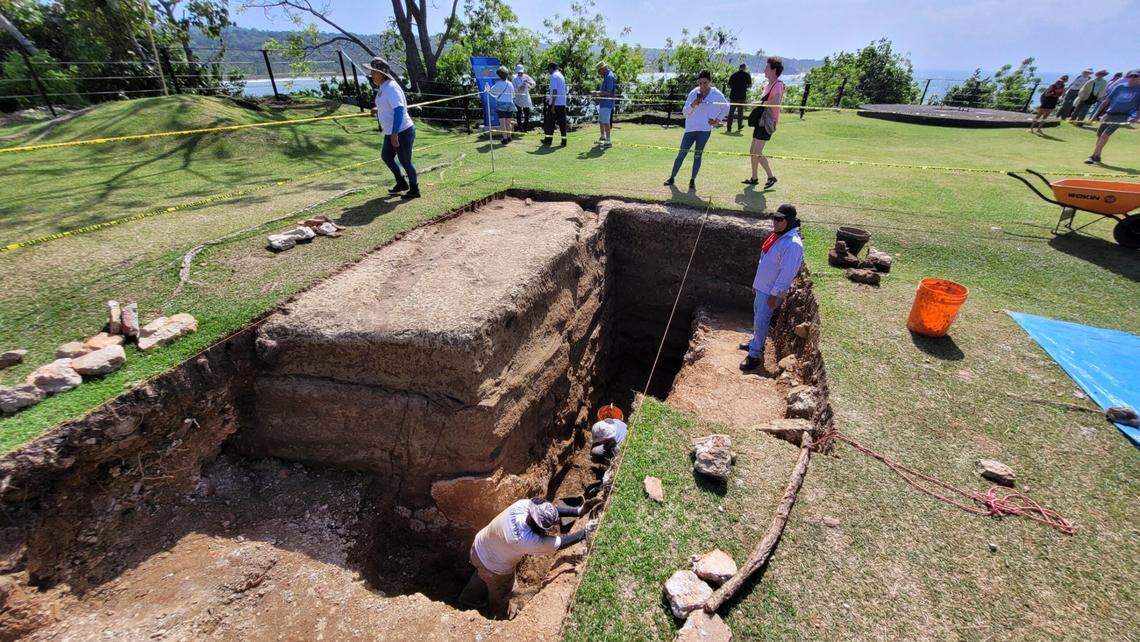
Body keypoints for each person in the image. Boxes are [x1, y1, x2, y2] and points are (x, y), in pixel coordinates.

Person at [459, 497, 596, 617]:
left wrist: (578, 511)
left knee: (481, 573)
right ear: (540, 527)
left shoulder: (522, 505)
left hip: (478, 548)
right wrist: (585, 533)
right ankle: (497, 616)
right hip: (496, 570)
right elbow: (560, 543)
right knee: (500, 595)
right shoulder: (528, 540)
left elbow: (548, 509)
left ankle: (467, 600)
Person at [740, 204, 805, 372]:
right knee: (758, 316)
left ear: (789, 221)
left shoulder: (792, 244)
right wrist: (757, 285)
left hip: (770, 291)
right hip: (763, 287)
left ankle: (754, 356)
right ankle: (756, 343)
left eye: (779, 219)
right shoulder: (778, 237)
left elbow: (787, 273)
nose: (774, 222)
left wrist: (774, 294)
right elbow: (766, 264)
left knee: (762, 320)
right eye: (774, 218)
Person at [664, 69, 729, 190]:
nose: (702, 86)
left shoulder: (716, 94)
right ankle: (672, 177)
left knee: (697, 155)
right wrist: (693, 104)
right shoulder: (694, 93)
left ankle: (692, 180)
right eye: (700, 83)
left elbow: (726, 107)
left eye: (705, 83)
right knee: (681, 153)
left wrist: (717, 120)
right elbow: (684, 112)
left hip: (704, 130)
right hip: (690, 129)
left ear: (710, 82)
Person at [366, 57, 419, 199]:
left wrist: (395, 133)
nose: (371, 74)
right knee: (386, 156)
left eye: (374, 72)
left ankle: (414, 189)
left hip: (402, 131)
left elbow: (399, 109)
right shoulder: (384, 87)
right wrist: (377, 109)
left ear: (381, 73)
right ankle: (401, 182)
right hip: (391, 131)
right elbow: (388, 105)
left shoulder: (391, 87)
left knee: (405, 161)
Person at [743, 56, 786, 189]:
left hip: (767, 122)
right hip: (760, 121)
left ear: (774, 70)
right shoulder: (767, 86)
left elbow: (777, 102)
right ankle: (754, 177)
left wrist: (761, 103)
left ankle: (771, 176)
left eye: (767, 67)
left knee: (757, 151)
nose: (764, 69)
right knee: (753, 150)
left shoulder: (778, 85)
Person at [1085, 69, 1140, 165]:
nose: (1133, 78)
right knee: (1099, 135)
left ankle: (1092, 156)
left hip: (1122, 116)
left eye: (1136, 76)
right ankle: (1098, 156)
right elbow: (1106, 101)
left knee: (1104, 135)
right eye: (1131, 76)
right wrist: (1094, 115)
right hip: (1109, 113)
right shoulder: (1119, 87)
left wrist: (1136, 118)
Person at [542, 62, 569, 147]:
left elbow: (554, 91)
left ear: (551, 68)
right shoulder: (561, 75)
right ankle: (564, 140)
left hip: (555, 103)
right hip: (562, 103)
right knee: (562, 123)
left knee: (550, 123)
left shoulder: (554, 76)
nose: (548, 72)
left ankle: (548, 140)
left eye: (548, 69)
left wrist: (552, 105)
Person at [592, 61, 618, 146]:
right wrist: (598, 97)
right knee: (601, 120)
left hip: (607, 103)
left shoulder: (609, 77)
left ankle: (608, 140)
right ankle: (603, 137)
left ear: (603, 69)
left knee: (606, 121)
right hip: (603, 103)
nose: (599, 73)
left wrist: (597, 93)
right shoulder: (606, 76)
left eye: (599, 71)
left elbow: (609, 92)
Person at [488, 66, 516, 144]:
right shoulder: (510, 84)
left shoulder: (498, 84)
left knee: (502, 123)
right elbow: (513, 95)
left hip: (501, 104)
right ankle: (509, 137)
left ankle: (505, 139)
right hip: (510, 104)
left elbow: (491, 91)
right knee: (508, 123)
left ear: (499, 75)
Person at [725, 63, 752, 133]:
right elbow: (750, 85)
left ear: (739, 68)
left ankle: (729, 128)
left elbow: (728, 86)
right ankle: (739, 126)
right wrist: (744, 87)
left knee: (731, 112)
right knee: (740, 112)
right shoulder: (747, 75)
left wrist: (734, 87)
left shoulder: (734, 75)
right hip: (742, 96)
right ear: (744, 68)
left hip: (733, 96)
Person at [512, 64, 536, 132]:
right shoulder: (514, 78)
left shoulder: (526, 76)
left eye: (521, 72)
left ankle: (525, 128)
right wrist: (520, 87)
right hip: (518, 97)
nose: (520, 73)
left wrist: (529, 83)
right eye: (519, 72)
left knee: (527, 113)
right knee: (518, 114)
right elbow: (513, 89)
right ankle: (520, 128)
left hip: (526, 97)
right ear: (517, 71)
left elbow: (534, 84)